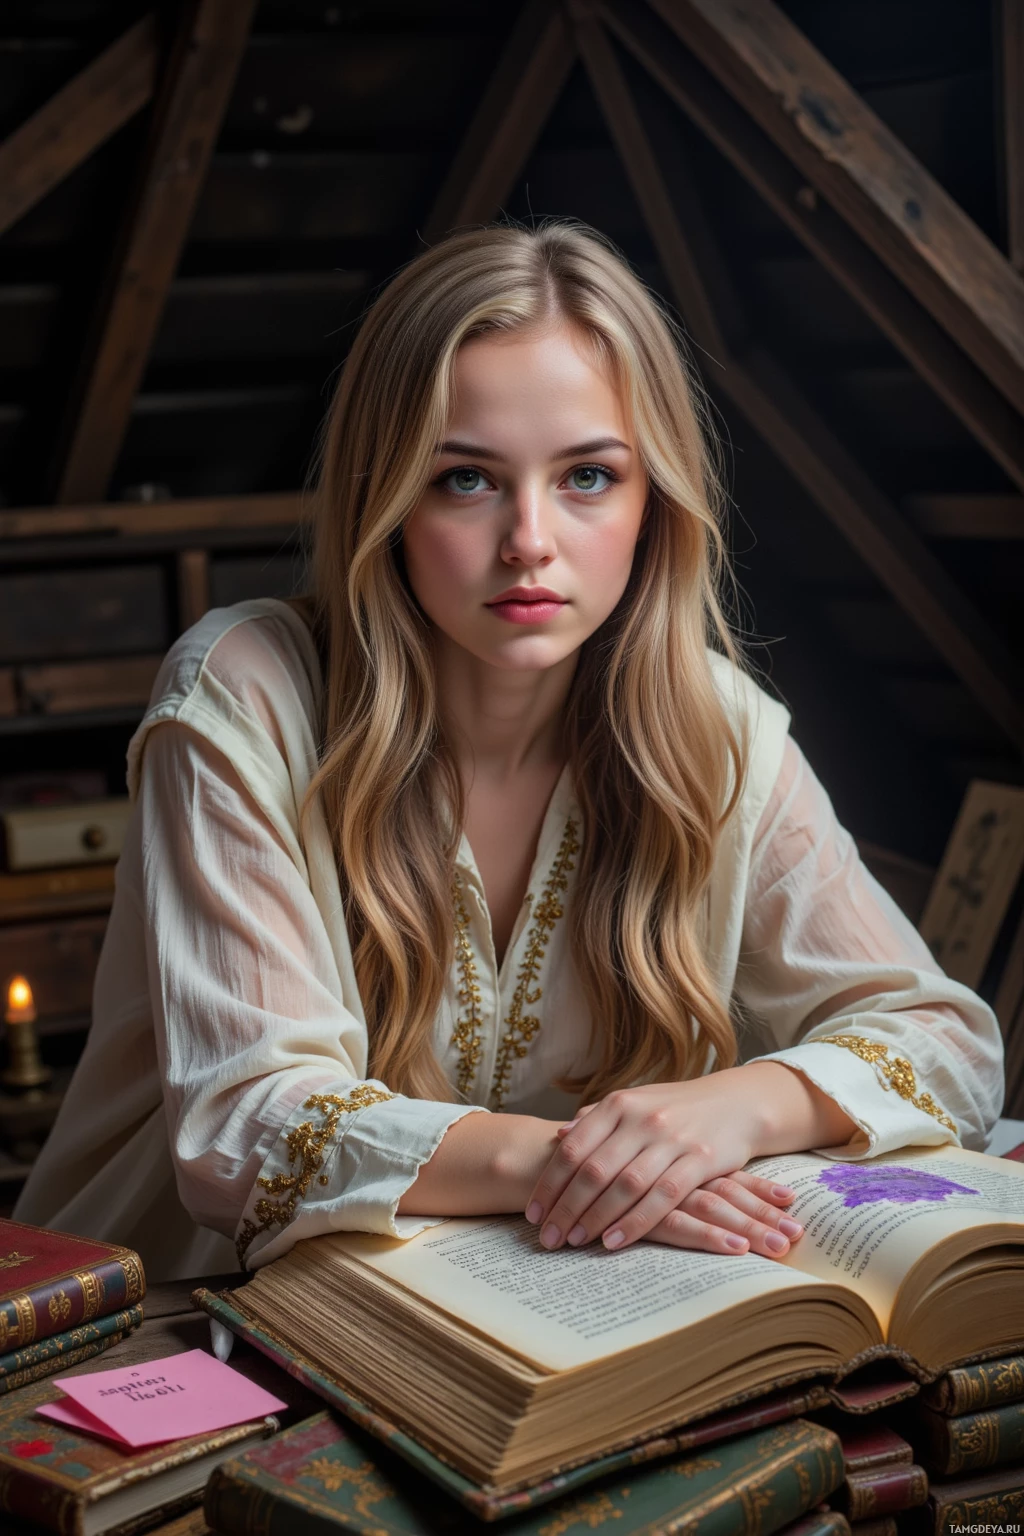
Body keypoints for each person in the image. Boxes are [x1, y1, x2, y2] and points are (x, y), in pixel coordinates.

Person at [15, 223, 1003, 1282]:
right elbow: (247, 1127)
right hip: (156, 1318)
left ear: (653, 501)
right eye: (466, 480)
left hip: (498, 1299)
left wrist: (731, 1110)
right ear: (386, 497)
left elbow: (948, 1040)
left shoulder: (715, 726)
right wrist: (583, 1165)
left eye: (588, 476)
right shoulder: (247, 693)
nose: (530, 539)